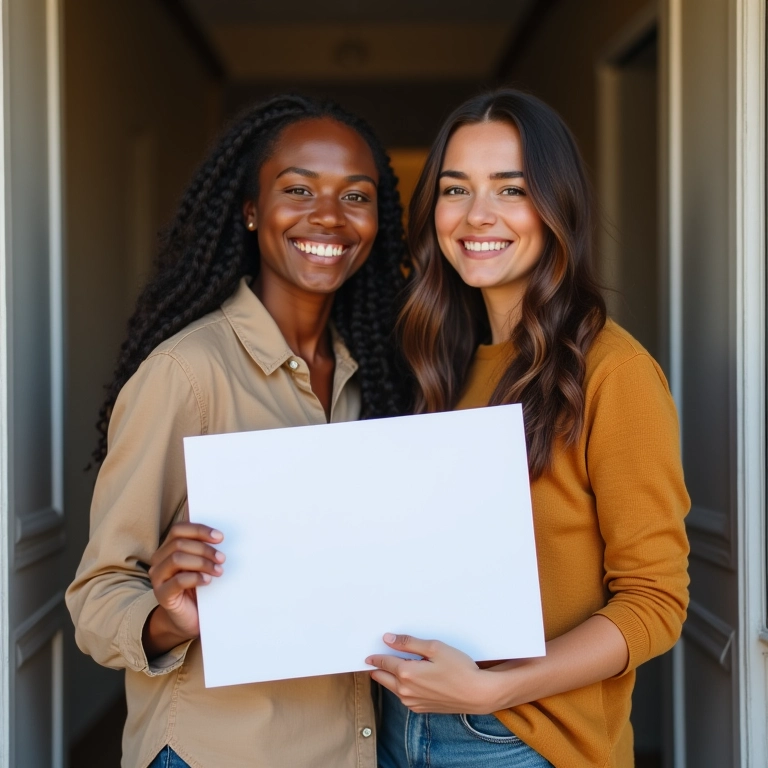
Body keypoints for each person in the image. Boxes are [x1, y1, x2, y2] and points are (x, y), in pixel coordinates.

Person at [66, 93, 408, 768]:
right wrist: (168, 616)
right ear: (251, 210)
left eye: (356, 196)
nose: (328, 217)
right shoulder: (185, 374)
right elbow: (99, 595)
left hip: (350, 746)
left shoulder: (381, 377)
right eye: (298, 189)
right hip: (218, 750)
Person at [365, 89, 690, 768]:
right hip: (398, 726)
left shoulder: (612, 371)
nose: (477, 214)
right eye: (456, 189)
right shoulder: (435, 361)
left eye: (510, 190)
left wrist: (493, 690)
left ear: (555, 205)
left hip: (524, 744)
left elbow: (655, 602)